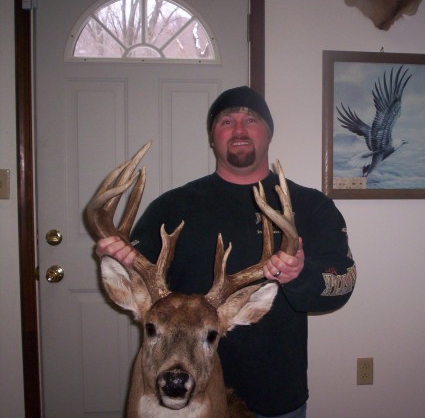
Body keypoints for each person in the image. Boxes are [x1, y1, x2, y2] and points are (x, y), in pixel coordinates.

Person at [96, 86, 356, 418]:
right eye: (226, 121)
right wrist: (121, 257)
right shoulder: (172, 206)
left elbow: (343, 284)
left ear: (268, 133)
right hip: (178, 396)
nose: (239, 130)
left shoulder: (308, 207)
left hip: (273, 392)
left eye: (251, 120)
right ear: (212, 137)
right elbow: (137, 279)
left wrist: (300, 275)